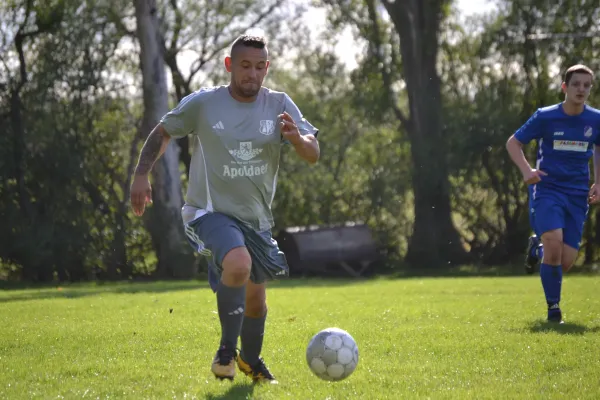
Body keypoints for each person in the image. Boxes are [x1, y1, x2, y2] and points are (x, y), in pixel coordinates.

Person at [130, 35, 320, 383]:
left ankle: (250, 361)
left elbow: (312, 153)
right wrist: (142, 174)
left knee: (256, 304)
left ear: (267, 68)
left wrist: (296, 139)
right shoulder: (204, 104)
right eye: (245, 66)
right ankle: (225, 354)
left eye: (260, 67)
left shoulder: (279, 104)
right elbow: (162, 132)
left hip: (256, 220)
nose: (252, 74)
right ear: (230, 65)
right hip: (208, 212)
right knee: (239, 262)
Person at [506, 64, 600, 323]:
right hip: (547, 190)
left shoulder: (596, 119)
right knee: (554, 245)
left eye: (586, 85)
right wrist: (527, 171)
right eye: (576, 84)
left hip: (578, 194)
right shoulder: (545, 116)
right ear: (564, 88)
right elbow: (513, 143)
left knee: (565, 261)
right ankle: (553, 309)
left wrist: (598, 183)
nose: (581, 89)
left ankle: (535, 249)